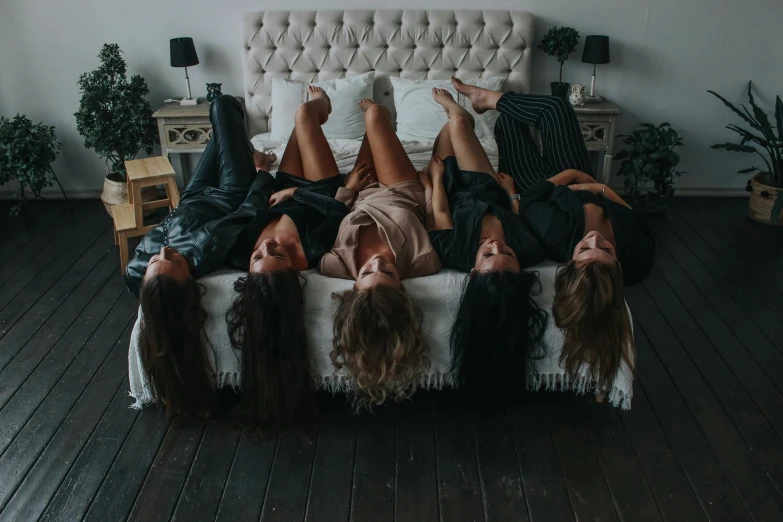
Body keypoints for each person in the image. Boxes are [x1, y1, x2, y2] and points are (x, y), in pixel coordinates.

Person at [452, 78, 653, 391]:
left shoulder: (556, 235)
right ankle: (485, 98)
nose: (596, 240)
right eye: (607, 249)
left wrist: (574, 180)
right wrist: (600, 187)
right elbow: (632, 212)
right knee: (556, 107)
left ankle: (488, 101)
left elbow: (533, 197)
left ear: (570, 262)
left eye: (585, 249)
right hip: (585, 183)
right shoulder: (639, 258)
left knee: (508, 123)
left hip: (545, 186)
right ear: (620, 264)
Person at [224, 87, 374, 430]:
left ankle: (296, 134)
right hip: (316, 189)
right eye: (276, 253)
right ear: (293, 269)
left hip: (284, 180)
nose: (267, 247)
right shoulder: (309, 254)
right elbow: (335, 209)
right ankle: (325, 106)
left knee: (296, 125)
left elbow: (247, 208)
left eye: (259, 254)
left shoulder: (238, 252)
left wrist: (264, 176)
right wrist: (298, 193)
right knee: (305, 114)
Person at [126, 95, 277, 419]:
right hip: (229, 194)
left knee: (220, 127)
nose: (164, 251)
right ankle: (254, 157)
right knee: (223, 105)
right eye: (176, 260)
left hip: (191, 197)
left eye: (155, 261)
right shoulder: (207, 248)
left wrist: (155, 268)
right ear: (192, 280)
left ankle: (245, 149)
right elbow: (248, 212)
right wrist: (263, 173)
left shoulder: (135, 275)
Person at [421, 88, 548, 402]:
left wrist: (434, 179)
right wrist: (512, 193)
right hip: (484, 185)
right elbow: (517, 217)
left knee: (451, 127)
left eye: (488, 254)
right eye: (505, 252)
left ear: (475, 273)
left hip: (451, 189)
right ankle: (456, 105)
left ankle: (455, 110)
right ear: (520, 267)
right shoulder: (530, 247)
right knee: (460, 123)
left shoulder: (455, 252)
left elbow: (439, 212)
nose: (495, 245)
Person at [320, 99, 441, 409]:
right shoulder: (423, 262)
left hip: (361, 192)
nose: (377, 263)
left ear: (352, 287)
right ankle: (381, 110)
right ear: (402, 286)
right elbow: (434, 222)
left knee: (368, 133)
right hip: (400, 190)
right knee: (375, 115)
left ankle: (377, 117)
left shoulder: (334, 264)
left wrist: (348, 189)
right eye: (388, 272)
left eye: (366, 272)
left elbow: (327, 218)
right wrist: (430, 188)